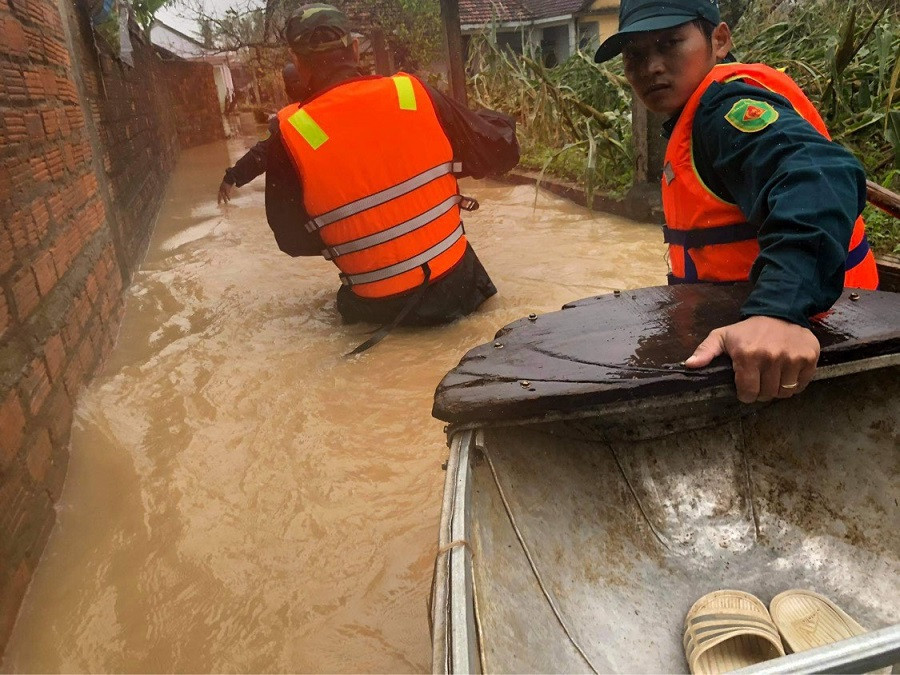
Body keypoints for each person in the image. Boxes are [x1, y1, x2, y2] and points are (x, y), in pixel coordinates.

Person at [593, 0, 879, 403]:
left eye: (671, 42)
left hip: (816, 339)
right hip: (798, 336)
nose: (651, 66)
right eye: (635, 54)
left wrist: (779, 310)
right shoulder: (698, 116)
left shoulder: (726, 112)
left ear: (720, 40)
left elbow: (820, 175)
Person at [260, 3, 519, 348]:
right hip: (460, 290)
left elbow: (290, 239)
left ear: (298, 65)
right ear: (353, 49)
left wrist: (359, 236)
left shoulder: (290, 135)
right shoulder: (411, 94)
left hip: (376, 312)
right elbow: (500, 152)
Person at [217, 64, 308, 205]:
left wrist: (231, 177)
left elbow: (261, 154)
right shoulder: (325, 109)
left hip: (303, 200)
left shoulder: (288, 120)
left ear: (286, 90)